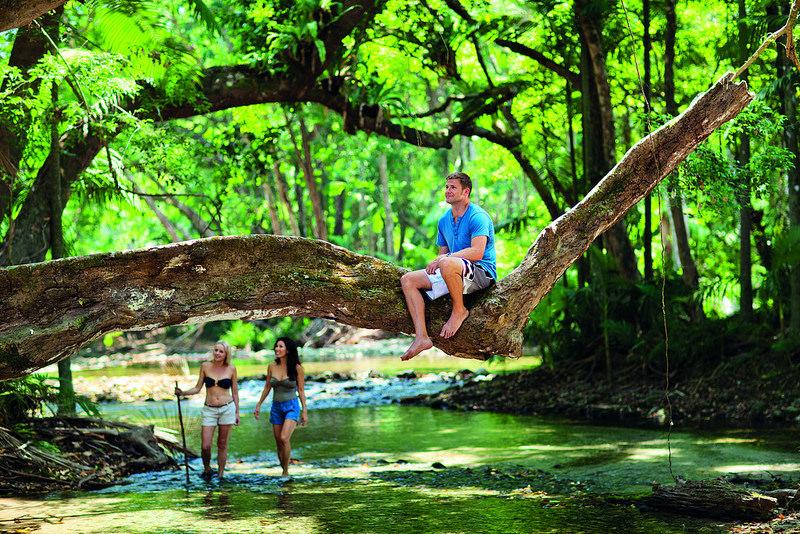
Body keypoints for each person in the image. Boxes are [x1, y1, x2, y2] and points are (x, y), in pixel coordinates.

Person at [399, 171, 497, 361]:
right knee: (408, 280)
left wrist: (444, 259)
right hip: (453, 269)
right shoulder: (444, 220)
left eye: (453, 187)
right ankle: (422, 337)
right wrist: (439, 261)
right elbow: (443, 254)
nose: (447, 191)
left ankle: (459, 310)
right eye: (446, 187)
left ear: (466, 192)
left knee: (446, 262)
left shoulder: (478, 216)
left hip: (481, 272)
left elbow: (477, 252)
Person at [175, 341, 240, 481]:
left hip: (227, 408)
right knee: (205, 446)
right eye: (216, 350)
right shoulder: (205, 366)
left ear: (226, 354)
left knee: (222, 444)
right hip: (209, 410)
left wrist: (237, 413)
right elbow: (197, 388)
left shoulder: (231, 369)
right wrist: (183, 393)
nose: (217, 353)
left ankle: (221, 475)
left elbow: (235, 392)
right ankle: (207, 469)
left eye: (221, 351)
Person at [253, 337, 308, 477]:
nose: (277, 349)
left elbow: (301, 390)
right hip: (276, 407)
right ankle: (283, 468)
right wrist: (259, 404)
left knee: (284, 438)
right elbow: (267, 387)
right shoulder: (271, 366)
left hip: (291, 406)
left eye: (281, 346)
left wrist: (304, 411)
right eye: (276, 346)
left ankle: (286, 471)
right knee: (278, 442)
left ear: (288, 350)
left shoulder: (297, 368)